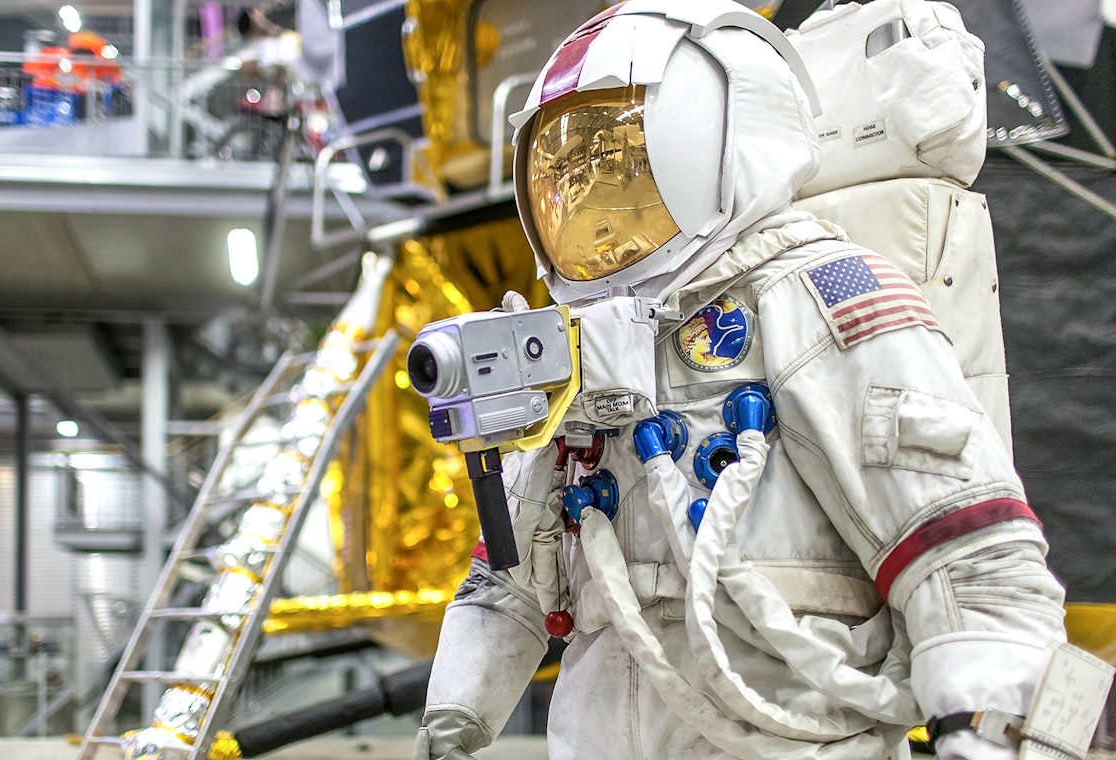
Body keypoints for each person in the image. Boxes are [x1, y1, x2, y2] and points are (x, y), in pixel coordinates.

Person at [413, 1, 1091, 759]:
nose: (584, 196)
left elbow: (965, 558)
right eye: (563, 167)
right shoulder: (573, 349)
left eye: (617, 160)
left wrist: (991, 735)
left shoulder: (823, 297)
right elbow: (509, 582)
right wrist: (454, 720)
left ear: (717, 134)